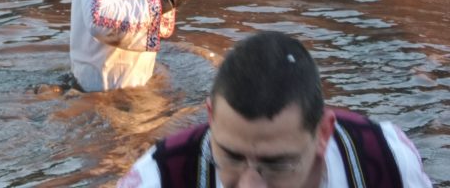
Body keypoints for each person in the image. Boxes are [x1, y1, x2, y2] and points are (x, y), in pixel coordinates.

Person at [117, 31, 432, 187]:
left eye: (277, 164)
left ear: (324, 133)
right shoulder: (158, 178)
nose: (250, 185)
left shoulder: (386, 163)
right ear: (211, 119)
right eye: (231, 156)